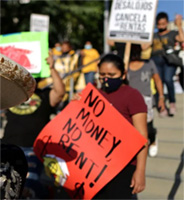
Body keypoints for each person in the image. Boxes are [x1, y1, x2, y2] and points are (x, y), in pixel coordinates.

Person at [74, 54, 148, 199]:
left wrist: (140, 171)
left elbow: (142, 137)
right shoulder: (92, 94)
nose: (106, 78)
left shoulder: (132, 95)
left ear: (123, 74)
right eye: (102, 74)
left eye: (111, 74)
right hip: (94, 167)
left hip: (123, 166)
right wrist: (76, 105)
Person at [1, 52, 65, 199]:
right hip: (7, 144)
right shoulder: (11, 94)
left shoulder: (44, 94)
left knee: (29, 188)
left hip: (32, 149)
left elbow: (60, 93)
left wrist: (52, 68)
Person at [128, 44, 165, 157]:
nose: (135, 53)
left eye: (136, 50)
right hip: (130, 100)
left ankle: (152, 139)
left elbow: (157, 80)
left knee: (148, 126)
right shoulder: (124, 65)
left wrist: (161, 97)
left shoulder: (149, 64)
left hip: (146, 99)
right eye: (132, 50)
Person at [151, 12, 184, 116]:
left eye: (163, 24)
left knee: (168, 79)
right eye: (159, 24)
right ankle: (162, 106)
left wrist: (178, 25)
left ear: (167, 23)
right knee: (158, 83)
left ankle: (172, 102)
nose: (161, 26)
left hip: (169, 61)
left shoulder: (172, 33)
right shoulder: (154, 35)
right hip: (156, 60)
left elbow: (182, 39)